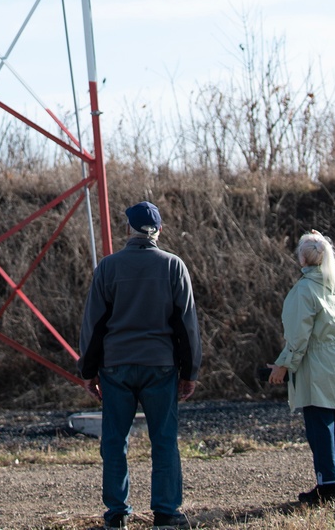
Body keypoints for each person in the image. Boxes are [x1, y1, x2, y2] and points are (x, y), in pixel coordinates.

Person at [79, 201, 202, 529]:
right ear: (159, 231)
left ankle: (117, 513)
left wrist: (88, 372)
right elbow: (186, 326)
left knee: (114, 441)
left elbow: (94, 325)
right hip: (160, 365)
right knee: (164, 439)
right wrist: (189, 372)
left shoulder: (108, 267)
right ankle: (166, 512)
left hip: (116, 365)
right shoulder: (174, 266)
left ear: (127, 230)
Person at [268, 230, 335, 505]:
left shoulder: (304, 290)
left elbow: (298, 337)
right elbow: (328, 257)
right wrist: (318, 241)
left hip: (319, 364)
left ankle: (327, 485)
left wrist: (282, 366)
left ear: (302, 259)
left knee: (319, 424)